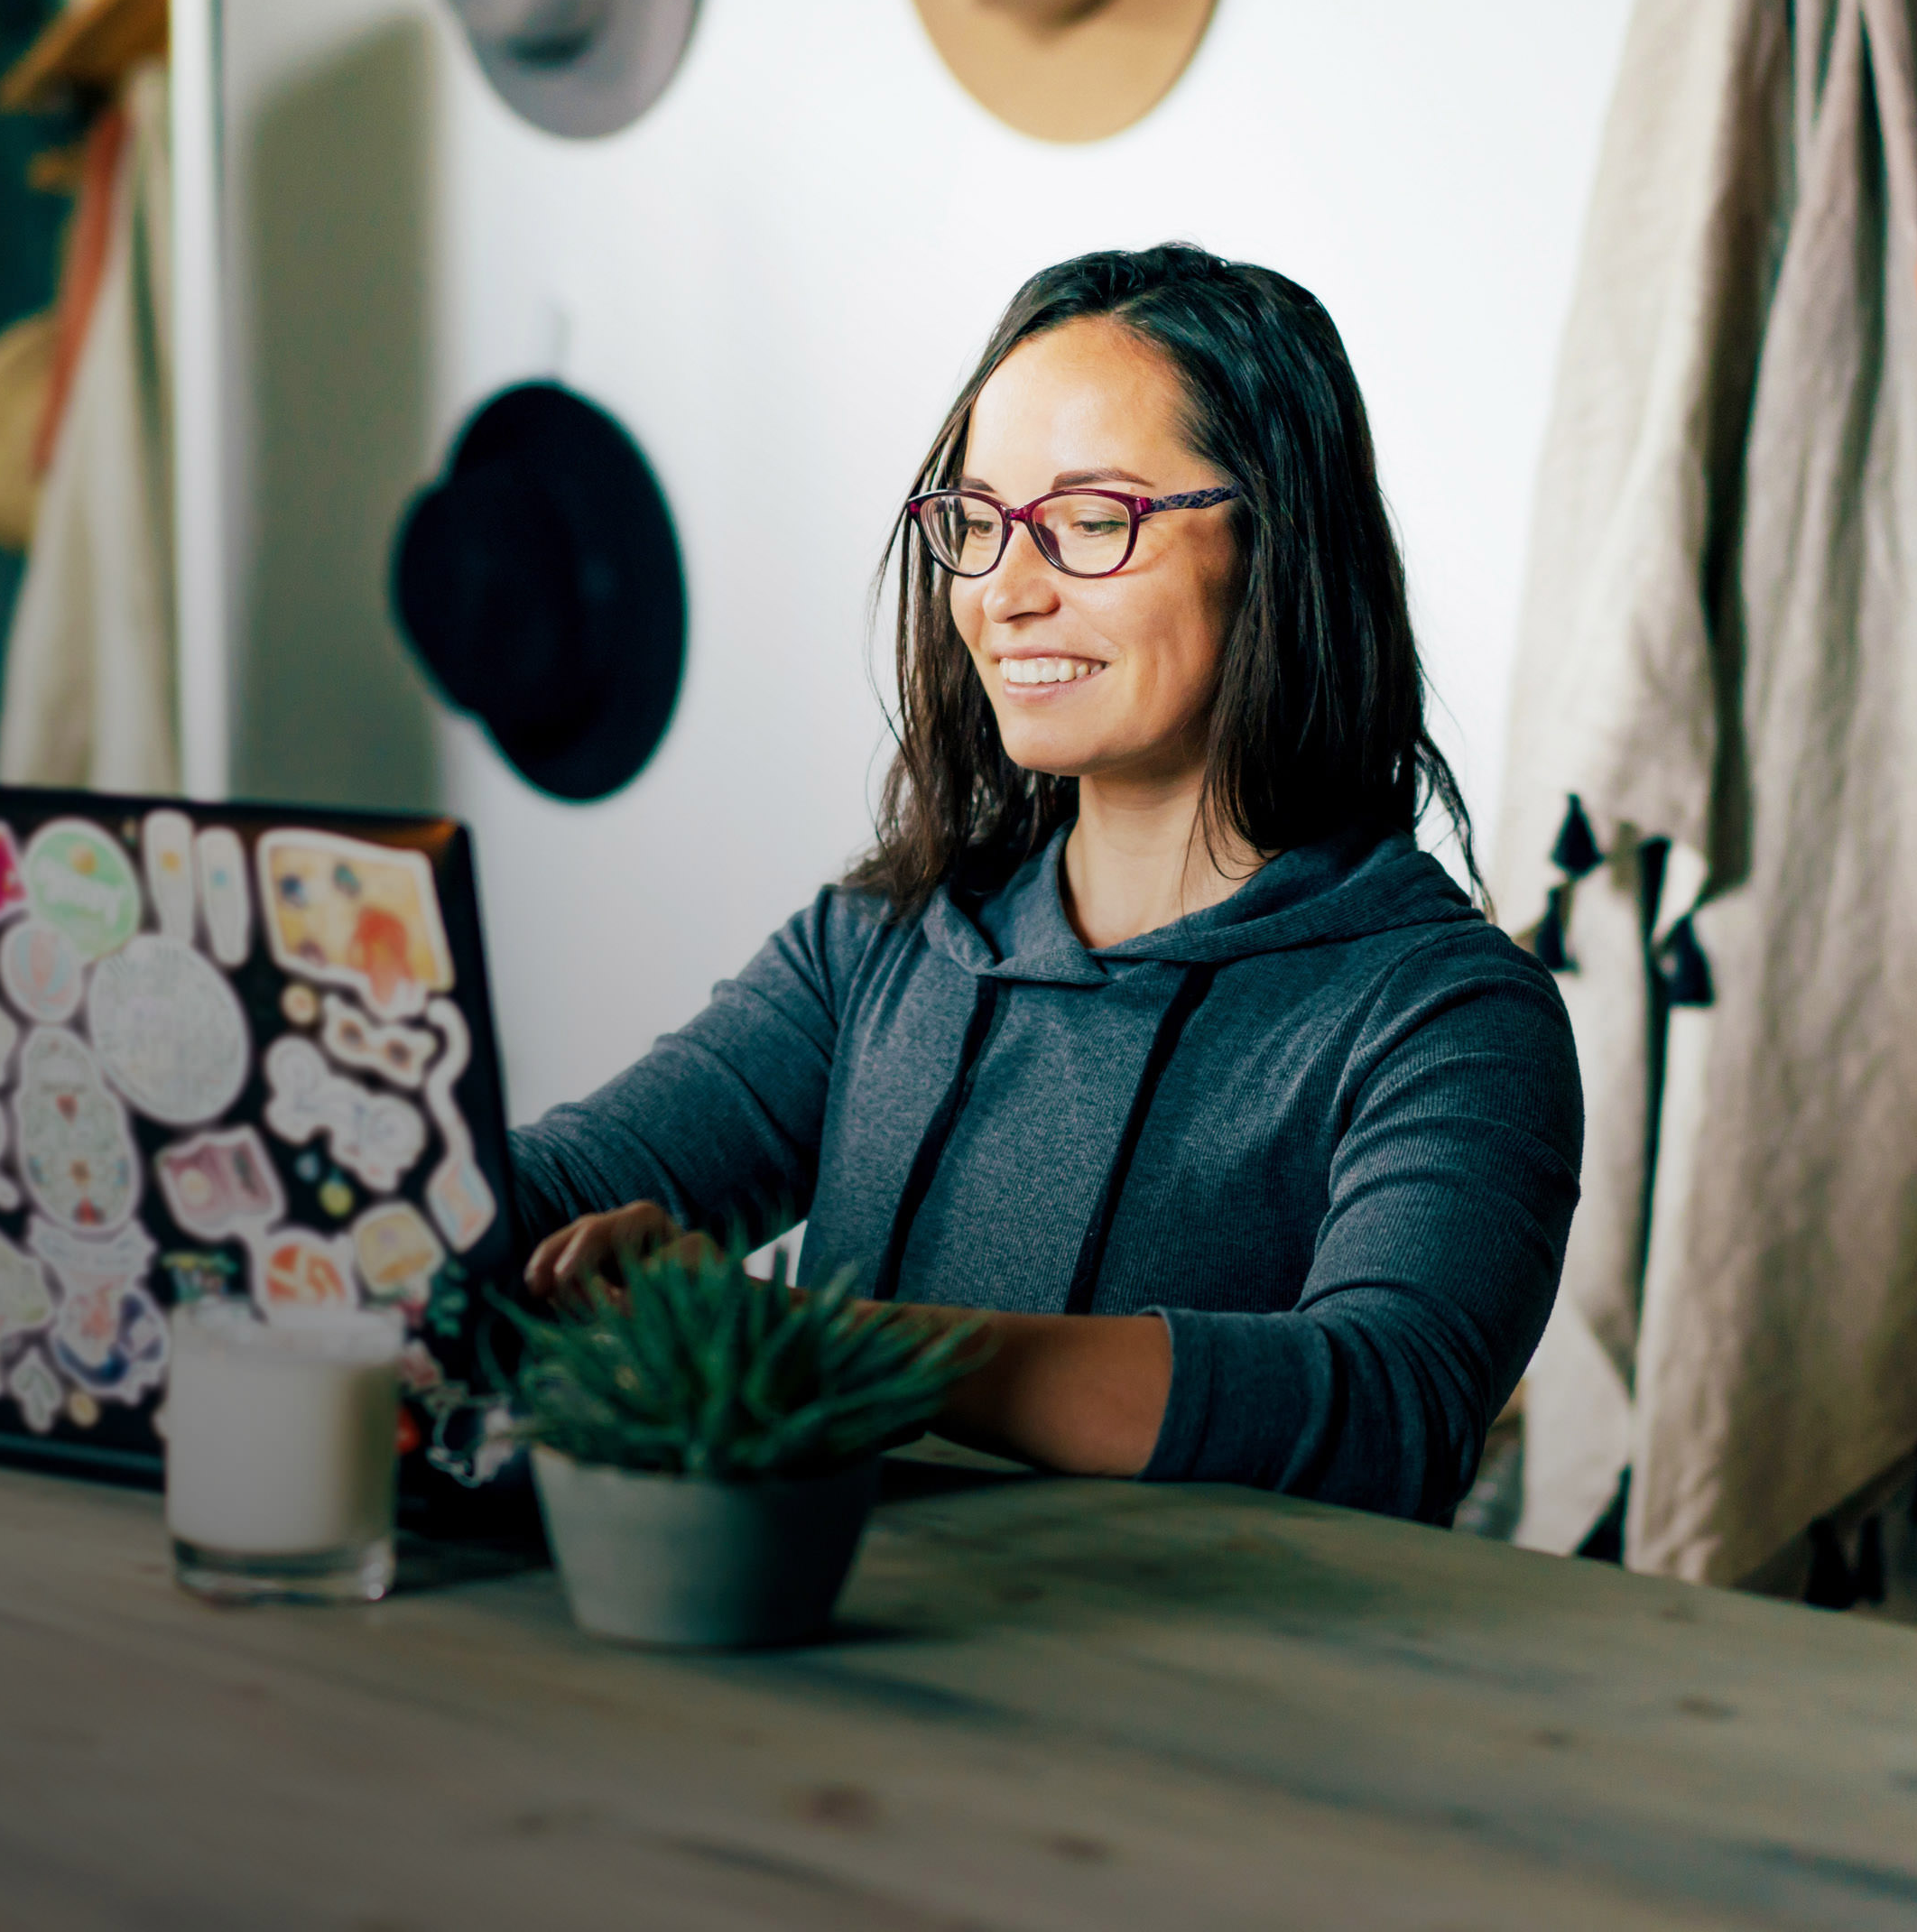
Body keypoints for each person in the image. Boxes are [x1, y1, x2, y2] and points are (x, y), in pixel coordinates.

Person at [513, 245, 1579, 1521]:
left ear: (1277, 540)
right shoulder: (876, 949)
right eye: (975, 523)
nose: (1007, 592)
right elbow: (548, 1198)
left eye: (1090, 523)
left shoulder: (1447, 1016)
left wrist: (827, 1348)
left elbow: (1380, 1406)